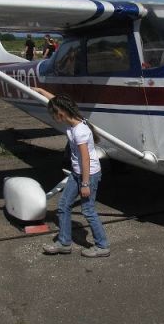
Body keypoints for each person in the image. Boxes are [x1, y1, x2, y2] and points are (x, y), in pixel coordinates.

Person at [34, 88, 110, 258]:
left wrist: (85, 184)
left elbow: (85, 159)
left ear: (61, 113)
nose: (54, 118)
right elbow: (57, 101)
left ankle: (102, 246)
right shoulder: (73, 118)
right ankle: (64, 243)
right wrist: (39, 90)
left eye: (54, 115)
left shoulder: (80, 131)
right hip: (77, 173)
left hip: (87, 174)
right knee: (63, 206)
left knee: (88, 210)